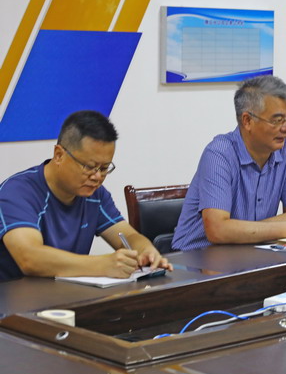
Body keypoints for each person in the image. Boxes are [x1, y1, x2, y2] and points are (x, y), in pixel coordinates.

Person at [0, 111, 171, 281]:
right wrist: (103, 265)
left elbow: (128, 236)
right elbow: (29, 258)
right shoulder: (17, 192)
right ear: (59, 155)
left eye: (104, 168)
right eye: (89, 166)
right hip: (16, 296)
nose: (97, 177)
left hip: (68, 293)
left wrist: (146, 250)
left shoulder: (95, 194)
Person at [172, 76, 286, 251]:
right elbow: (218, 230)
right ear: (247, 121)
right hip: (195, 258)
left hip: (251, 252)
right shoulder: (219, 154)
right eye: (277, 120)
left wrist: (244, 231)